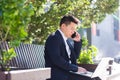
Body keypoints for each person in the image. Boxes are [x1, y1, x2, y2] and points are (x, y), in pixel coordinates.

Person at [44, 15, 87, 80]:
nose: (74, 31)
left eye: (75, 29)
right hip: (59, 75)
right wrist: (76, 68)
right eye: (72, 28)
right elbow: (57, 60)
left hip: (68, 74)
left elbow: (75, 57)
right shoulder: (54, 38)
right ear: (63, 26)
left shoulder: (66, 41)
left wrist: (77, 42)